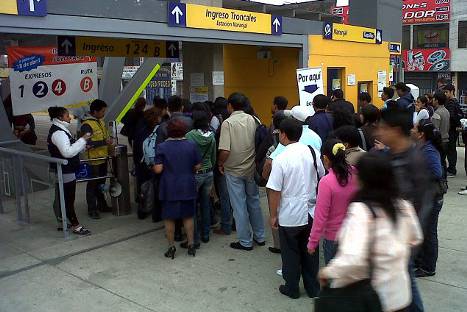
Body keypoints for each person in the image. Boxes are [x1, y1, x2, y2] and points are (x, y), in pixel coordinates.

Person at [318, 153, 423, 312]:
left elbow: (353, 258)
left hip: (372, 299)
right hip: (400, 297)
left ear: (363, 179)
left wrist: (328, 272)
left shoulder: (361, 211)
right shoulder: (403, 206)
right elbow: (416, 238)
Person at [377, 106, 432, 312]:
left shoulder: (413, 161)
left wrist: (408, 245)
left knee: (404, 293)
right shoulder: (390, 157)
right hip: (392, 242)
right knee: (406, 289)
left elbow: (421, 206)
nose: (379, 132)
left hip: (400, 243)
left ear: (396, 130)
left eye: (383, 128)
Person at [266, 118, 323, 299]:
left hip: (289, 213)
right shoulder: (312, 152)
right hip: (311, 210)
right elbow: (321, 175)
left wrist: (273, 215)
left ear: (283, 134)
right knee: (310, 250)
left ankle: (291, 288)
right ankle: (313, 287)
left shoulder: (281, 158)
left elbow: (275, 189)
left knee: (290, 252)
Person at [218, 92, 265, 251]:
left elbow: (224, 150)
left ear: (230, 106)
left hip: (233, 170)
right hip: (251, 168)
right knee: (254, 202)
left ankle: (245, 241)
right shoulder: (253, 119)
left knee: (239, 206)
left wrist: (220, 163)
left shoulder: (228, 123)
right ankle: (260, 236)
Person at [153, 119, 201, 259]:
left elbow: (158, 169)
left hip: (169, 187)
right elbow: (198, 166)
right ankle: (191, 245)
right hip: (187, 185)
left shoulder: (162, 147)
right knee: (188, 216)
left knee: (169, 218)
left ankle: (171, 247)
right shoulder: (191, 145)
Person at [307, 138, 358, 264]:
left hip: (333, 237)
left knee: (333, 277)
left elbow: (320, 216)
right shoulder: (356, 173)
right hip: (354, 233)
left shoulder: (326, 182)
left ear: (325, 158)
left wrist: (313, 242)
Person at [48, 107, 91, 235]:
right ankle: (76, 226)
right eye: (67, 116)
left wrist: (82, 145)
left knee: (63, 198)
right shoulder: (58, 132)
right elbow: (67, 152)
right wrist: (83, 139)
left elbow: (69, 147)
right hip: (65, 170)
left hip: (65, 169)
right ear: (60, 118)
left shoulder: (60, 129)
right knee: (68, 199)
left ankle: (63, 222)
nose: (70, 117)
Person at [411, 120, 444, 278]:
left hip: (432, 197)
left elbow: (436, 172)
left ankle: (428, 267)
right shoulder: (420, 146)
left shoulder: (429, 150)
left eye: (415, 128)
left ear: (421, 134)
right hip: (424, 197)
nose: (412, 129)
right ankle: (420, 262)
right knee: (422, 230)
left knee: (429, 232)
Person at [186, 111, 217, 247]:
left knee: (193, 206)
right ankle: (206, 234)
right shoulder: (212, 136)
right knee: (205, 203)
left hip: (195, 173)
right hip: (209, 173)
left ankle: (195, 237)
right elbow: (213, 157)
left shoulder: (189, 136)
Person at [81, 99, 112, 220]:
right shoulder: (87, 125)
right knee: (93, 185)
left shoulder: (101, 122)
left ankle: (102, 205)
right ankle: (92, 209)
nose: (104, 113)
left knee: (101, 184)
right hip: (93, 160)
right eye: (102, 111)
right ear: (95, 111)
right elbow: (87, 143)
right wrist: (104, 142)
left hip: (103, 158)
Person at [444, 84, 463, 177]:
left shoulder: (451, 102)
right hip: (452, 129)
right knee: (450, 149)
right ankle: (451, 168)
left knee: (451, 149)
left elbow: (450, 116)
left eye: (447, 92)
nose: (445, 94)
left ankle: (452, 169)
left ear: (452, 92)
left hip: (451, 129)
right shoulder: (453, 102)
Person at [432, 91, 450, 176]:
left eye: (434, 99)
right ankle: (444, 180)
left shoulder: (437, 113)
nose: (432, 100)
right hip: (446, 139)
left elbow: (435, 130)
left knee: (439, 163)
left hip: (439, 141)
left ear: (437, 100)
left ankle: (441, 181)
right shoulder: (446, 111)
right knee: (443, 162)